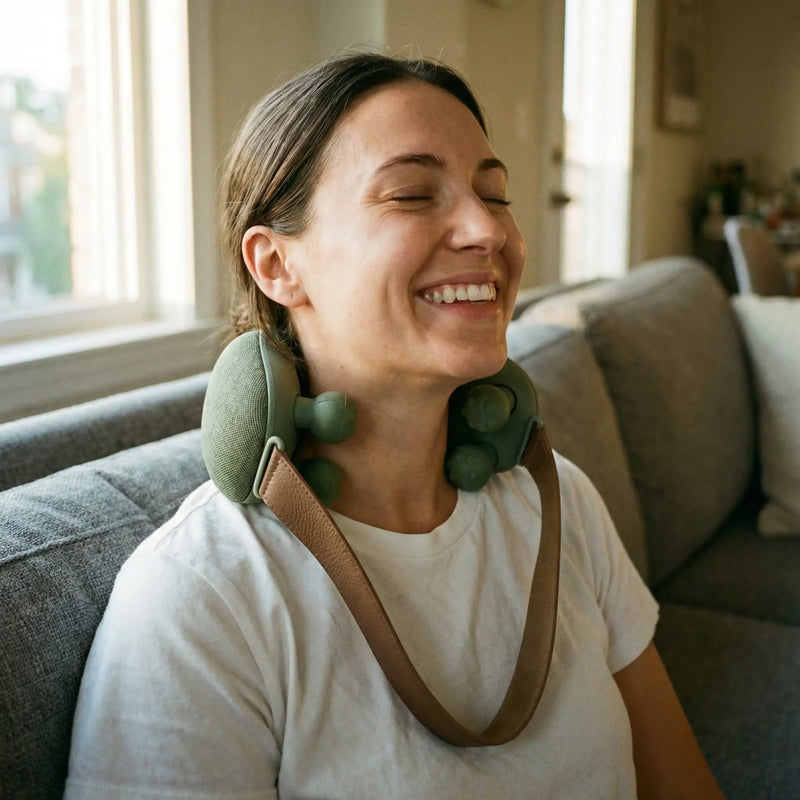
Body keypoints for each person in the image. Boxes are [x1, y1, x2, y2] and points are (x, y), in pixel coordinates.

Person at [65, 52, 723, 799]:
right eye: (412, 195)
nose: (488, 229)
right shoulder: (200, 601)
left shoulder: (560, 501)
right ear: (277, 265)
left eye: (495, 192)